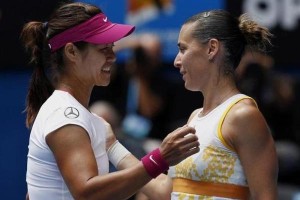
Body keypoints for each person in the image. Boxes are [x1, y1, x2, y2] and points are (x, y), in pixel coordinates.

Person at [21, 2, 200, 200]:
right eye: (102, 49)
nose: (113, 57)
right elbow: (88, 193)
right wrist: (160, 158)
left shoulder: (87, 120)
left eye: (112, 47)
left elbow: (162, 192)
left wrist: (115, 147)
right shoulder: (65, 116)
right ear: (72, 52)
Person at [168, 10, 278, 199]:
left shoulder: (242, 115)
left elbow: (265, 196)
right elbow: (168, 191)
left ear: (211, 48)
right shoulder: (194, 117)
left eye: (183, 49)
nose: (176, 61)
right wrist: (113, 147)